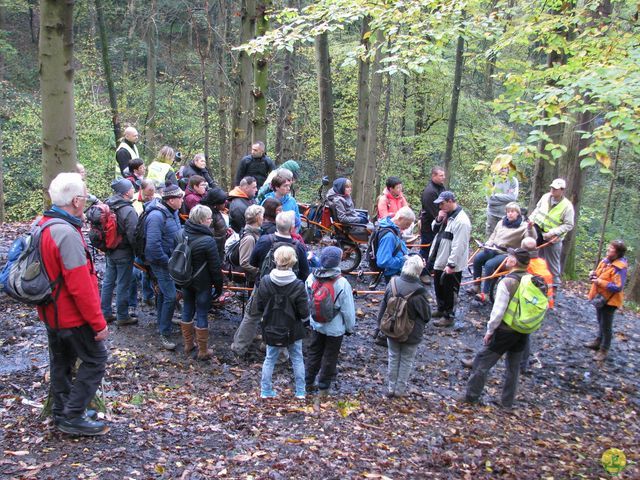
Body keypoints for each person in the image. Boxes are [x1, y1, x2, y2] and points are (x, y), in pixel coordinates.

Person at [38, 172, 109, 436]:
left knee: (62, 361)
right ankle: (73, 415)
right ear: (76, 200)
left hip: (51, 312)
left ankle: (62, 410)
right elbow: (80, 286)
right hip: (70, 314)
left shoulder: (44, 224)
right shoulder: (66, 234)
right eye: (84, 195)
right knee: (95, 358)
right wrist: (98, 323)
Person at [231, 211, 309, 358]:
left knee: (252, 315)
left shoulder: (265, 240)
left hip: (264, 285)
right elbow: (305, 272)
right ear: (292, 227)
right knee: (283, 319)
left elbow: (253, 262)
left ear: (276, 225)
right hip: (289, 290)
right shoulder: (298, 246)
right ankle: (277, 353)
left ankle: (239, 347)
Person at [462, 248, 532, 409]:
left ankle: (471, 396)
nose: (506, 259)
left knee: (481, 362)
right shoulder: (532, 280)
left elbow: (498, 311)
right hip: (523, 330)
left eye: (509, 257)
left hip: (505, 331)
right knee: (513, 368)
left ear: (514, 262)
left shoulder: (507, 282)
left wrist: (490, 331)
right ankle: (507, 402)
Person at [254, 245, 309, 399]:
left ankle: (265, 391)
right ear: (293, 262)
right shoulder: (298, 285)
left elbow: (259, 305)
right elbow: (304, 312)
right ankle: (300, 392)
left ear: (275, 260)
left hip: (271, 326)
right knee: (297, 358)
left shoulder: (265, 281)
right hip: (293, 328)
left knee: (269, 358)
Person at [305, 247, 356, 395]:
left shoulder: (311, 278)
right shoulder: (342, 283)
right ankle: (323, 386)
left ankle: (308, 381)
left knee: (314, 352)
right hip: (335, 328)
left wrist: (310, 319)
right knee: (330, 356)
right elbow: (348, 310)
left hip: (316, 323)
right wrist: (349, 328)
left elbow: (308, 300)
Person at [377, 255, 430, 398]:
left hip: (391, 328)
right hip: (411, 333)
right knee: (406, 360)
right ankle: (400, 390)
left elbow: (384, 304)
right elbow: (426, 316)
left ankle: (390, 388)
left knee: (393, 357)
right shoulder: (420, 292)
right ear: (419, 271)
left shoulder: (393, 283)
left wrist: (379, 326)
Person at [179, 205, 224, 361]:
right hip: (202, 283)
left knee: (187, 308)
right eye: (210, 218)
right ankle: (203, 351)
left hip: (185, 280)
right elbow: (215, 267)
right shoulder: (207, 240)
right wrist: (219, 288)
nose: (211, 221)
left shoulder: (181, 233)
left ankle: (188, 344)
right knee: (202, 313)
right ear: (203, 220)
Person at [469, 202, 535, 304]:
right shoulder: (501, 222)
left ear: (518, 213)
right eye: (508, 211)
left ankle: (485, 293)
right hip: (494, 249)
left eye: (512, 211)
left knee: (489, 264)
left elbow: (531, 238)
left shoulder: (524, 226)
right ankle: (476, 285)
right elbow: (493, 235)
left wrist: (530, 228)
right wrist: (488, 243)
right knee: (477, 258)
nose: (509, 214)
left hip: (507, 253)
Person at [144, 184, 184, 350]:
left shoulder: (171, 212)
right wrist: (167, 261)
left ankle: (162, 321)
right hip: (161, 262)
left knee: (163, 293)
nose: (183, 200)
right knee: (170, 295)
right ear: (171, 200)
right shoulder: (156, 216)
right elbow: (152, 246)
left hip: (170, 259)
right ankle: (164, 332)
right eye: (180, 198)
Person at [100, 178, 139, 327]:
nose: (133, 190)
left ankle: (106, 313)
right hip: (123, 252)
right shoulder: (127, 209)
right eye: (131, 189)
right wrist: (138, 251)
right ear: (126, 192)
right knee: (123, 283)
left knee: (108, 282)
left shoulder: (108, 205)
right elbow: (133, 234)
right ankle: (122, 316)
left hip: (110, 250)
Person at [429, 191, 471, 327]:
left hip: (451, 262)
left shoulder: (462, 221)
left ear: (450, 201)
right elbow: (434, 230)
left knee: (449, 289)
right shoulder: (447, 215)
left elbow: (460, 245)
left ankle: (449, 316)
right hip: (440, 257)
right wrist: (438, 219)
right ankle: (441, 309)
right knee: (438, 285)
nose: (440, 207)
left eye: (442, 203)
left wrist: (451, 264)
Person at [584, 240, 628, 361]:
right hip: (600, 297)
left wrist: (599, 282)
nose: (608, 249)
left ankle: (604, 349)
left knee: (606, 325)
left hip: (610, 301)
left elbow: (618, 287)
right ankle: (598, 341)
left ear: (618, 252)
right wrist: (593, 274)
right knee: (600, 321)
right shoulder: (605, 261)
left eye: (611, 248)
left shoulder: (620, 268)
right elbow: (598, 274)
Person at [529, 178, 574, 288]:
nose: (553, 190)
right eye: (552, 188)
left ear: (562, 190)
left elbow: (569, 225)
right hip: (538, 232)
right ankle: (536, 282)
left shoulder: (567, 206)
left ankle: (554, 289)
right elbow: (537, 209)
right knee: (535, 257)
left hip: (553, 238)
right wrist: (530, 220)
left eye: (556, 189)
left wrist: (553, 232)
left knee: (552, 264)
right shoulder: (545, 197)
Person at [420, 167, 446, 282]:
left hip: (437, 226)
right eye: (441, 175)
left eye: (443, 175)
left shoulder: (441, 188)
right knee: (426, 249)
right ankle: (423, 272)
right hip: (428, 226)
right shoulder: (429, 192)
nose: (443, 177)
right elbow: (433, 212)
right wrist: (441, 219)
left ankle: (430, 269)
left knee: (435, 248)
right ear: (434, 176)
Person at [375, 207, 414, 281]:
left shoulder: (394, 228)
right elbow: (383, 261)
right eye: (407, 224)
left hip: (397, 270)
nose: (407, 227)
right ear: (400, 218)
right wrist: (403, 260)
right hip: (393, 274)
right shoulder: (389, 236)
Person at [485, 155, 519, 236]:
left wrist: (496, 195)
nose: (503, 170)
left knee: (504, 237)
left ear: (508, 169)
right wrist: (505, 197)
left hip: (506, 215)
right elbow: (490, 200)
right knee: (490, 237)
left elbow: (513, 198)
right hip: (492, 214)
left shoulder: (513, 181)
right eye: (501, 168)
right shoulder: (491, 180)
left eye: (505, 168)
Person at [200, 186, 230, 258]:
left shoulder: (216, 211)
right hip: (214, 251)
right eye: (223, 202)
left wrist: (225, 229)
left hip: (220, 248)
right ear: (216, 203)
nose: (225, 204)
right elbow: (210, 236)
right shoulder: (208, 215)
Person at [238, 205, 264, 286]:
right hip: (252, 280)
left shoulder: (254, 232)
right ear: (257, 218)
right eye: (262, 216)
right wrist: (261, 271)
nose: (263, 218)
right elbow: (244, 262)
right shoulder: (249, 238)